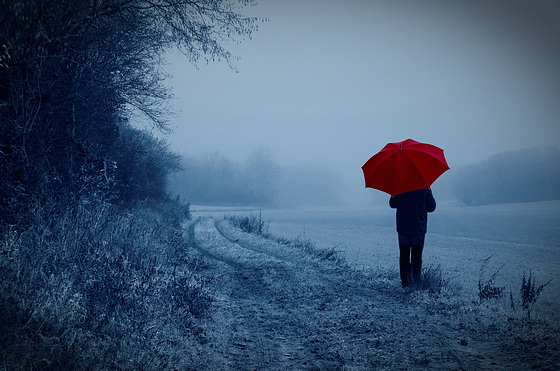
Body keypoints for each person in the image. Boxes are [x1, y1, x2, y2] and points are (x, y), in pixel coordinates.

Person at [389, 188, 436, 287]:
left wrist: (393, 193)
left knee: (404, 256)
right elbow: (431, 207)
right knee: (417, 257)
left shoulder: (400, 186)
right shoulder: (424, 188)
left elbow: (392, 204)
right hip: (418, 228)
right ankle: (415, 281)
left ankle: (405, 282)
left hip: (403, 228)